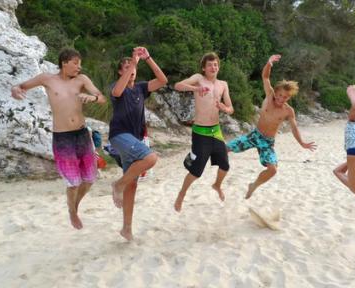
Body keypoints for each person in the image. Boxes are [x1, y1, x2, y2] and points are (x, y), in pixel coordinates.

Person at [11, 48, 106, 229]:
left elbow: (101, 98)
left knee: (90, 179)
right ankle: (72, 212)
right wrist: (16, 90)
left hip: (82, 134)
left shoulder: (82, 80)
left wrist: (92, 98)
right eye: (76, 63)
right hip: (62, 137)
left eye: (80, 63)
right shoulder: (47, 79)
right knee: (73, 182)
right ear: (64, 62)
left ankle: (75, 206)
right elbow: (19, 86)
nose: (80, 66)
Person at [227, 54, 317, 199]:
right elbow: (265, 77)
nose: (281, 99)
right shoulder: (269, 96)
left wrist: (302, 143)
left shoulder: (288, 111)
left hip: (268, 143)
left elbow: (294, 128)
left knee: (273, 170)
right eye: (280, 95)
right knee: (225, 148)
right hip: (254, 135)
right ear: (276, 92)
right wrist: (269, 63)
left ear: (289, 97)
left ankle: (254, 185)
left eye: (285, 97)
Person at [109, 47, 167, 241]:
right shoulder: (116, 87)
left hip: (134, 138)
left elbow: (162, 80)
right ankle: (117, 184)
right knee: (151, 158)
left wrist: (148, 58)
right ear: (120, 72)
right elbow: (118, 91)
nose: (131, 69)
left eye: (132, 67)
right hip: (120, 135)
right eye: (125, 67)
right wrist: (133, 62)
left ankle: (126, 229)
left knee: (132, 185)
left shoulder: (141, 88)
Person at [173, 52, 234, 212]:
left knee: (225, 166)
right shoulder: (199, 79)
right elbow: (178, 86)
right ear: (204, 68)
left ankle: (217, 185)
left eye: (215, 64)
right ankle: (181, 194)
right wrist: (196, 88)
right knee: (196, 171)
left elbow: (230, 108)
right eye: (209, 65)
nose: (213, 67)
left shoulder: (223, 84)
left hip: (216, 131)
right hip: (200, 131)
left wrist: (224, 108)